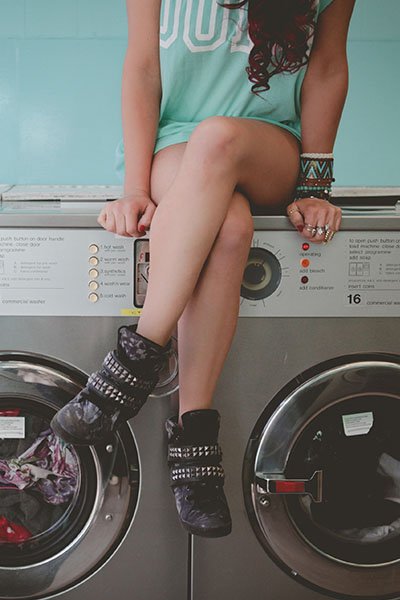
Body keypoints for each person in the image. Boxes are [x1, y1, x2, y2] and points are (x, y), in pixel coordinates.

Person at [51, 0, 356, 538]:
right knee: (232, 229)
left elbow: (328, 66)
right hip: (177, 142)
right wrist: (135, 189)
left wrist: (315, 187)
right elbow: (143, 67)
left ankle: (133, 365)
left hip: (267, 144)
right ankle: (194, 434)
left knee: (218, 137)